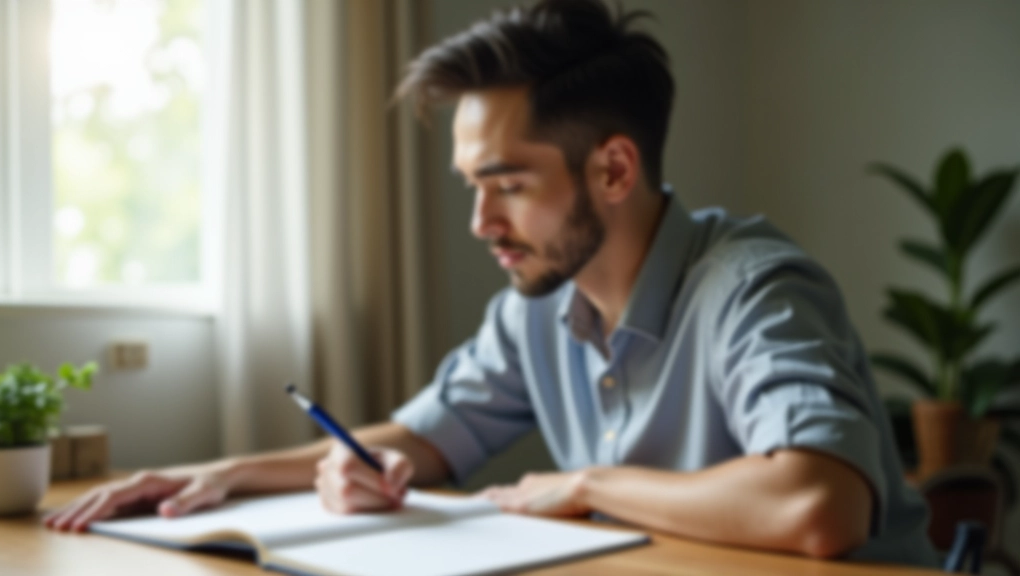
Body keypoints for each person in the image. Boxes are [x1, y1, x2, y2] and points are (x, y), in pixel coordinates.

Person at [45, 0, 937, 565]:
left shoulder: (755, 287)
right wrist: (225, 474)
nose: (481, 224)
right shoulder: (541, 305)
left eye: (508, 185)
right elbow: (423, 438)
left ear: (615, 171)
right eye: (472, 187)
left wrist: (587, 483)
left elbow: (820, 507)